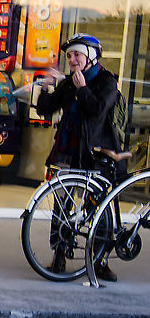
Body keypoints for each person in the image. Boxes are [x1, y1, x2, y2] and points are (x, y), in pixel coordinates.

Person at [35, 33, 122, 281]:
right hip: (67, 151)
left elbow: (96, 110)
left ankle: (100, 259)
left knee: (98, 207)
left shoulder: (106, 82)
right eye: (69, 55)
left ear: (91, 56)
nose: (72, 59)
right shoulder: (69, 82)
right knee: (61, 206)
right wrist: (46, 86)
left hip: (95, 154)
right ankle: (60, 254)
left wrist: (83, 89)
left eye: (77, 54)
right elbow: (45, 108)